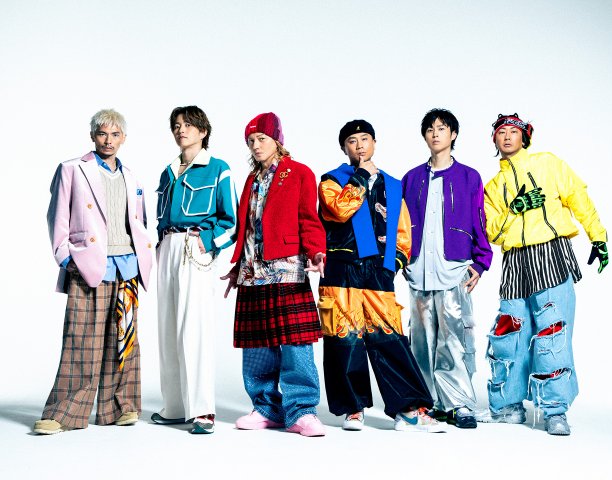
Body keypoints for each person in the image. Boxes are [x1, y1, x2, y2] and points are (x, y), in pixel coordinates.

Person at [479, 113, 609, 435]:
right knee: (509, 333)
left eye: (513, 131)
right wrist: (515, 208)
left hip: (550, 254)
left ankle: (554, 411)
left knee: (553, 332)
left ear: (525, 137)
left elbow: (578, 197)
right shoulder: (493, 187)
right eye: (501, 132)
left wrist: (598, 236)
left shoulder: (548, 164)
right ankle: (508, 407)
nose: (507, 136)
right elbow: (492, 232)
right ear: (494, 140)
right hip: (515, 262)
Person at [317, 119, 446, 433]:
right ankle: (353, 408)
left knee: (389, 339)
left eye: (365, 139)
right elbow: (340, 210)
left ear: (374, 143)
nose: (359, 145)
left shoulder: (393, 184)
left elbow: (403, 230)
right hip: (341, 268)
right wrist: (361, 175)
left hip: (378, 271)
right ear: (344, 148)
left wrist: (394, 263)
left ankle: (409, 410)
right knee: (344, 339)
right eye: (352, 141)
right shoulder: (331, 181)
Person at [35, 109, 153, 434]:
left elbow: (139, 221)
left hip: (127, 266)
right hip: (89, 266)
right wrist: (65, 259)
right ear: (93, 136)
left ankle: (120, 408)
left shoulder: (132, 176)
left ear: (124, 138)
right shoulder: (72, 169)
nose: (108, 140)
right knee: (81, 340)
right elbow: (56, 216)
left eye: (115, 135)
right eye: (102, 134)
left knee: (123, 340)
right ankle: (63, 413)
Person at [222, 112, 327, 437]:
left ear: (277, 140)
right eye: (251, 141)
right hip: (252, 272)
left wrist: (316, 252)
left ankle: (302, 411)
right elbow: (247, 229)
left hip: (287, 269)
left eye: (262, 139)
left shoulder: (299, 173)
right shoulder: (251, 180)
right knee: (256, 346)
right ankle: (266, 408)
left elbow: (308, 218)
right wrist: (237, 266)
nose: (255, 145)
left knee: (296, 344)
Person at [401, 108, 493, 429]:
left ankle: (458, 403)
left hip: (453, 267)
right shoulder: (411, 178)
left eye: (442, 128)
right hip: (418, 268)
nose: (435, 133)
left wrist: (481, 261)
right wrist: (400, 259)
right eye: (430, 129)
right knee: (421, 339)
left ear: (453, 135)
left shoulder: (469, 177)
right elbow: (400, 224)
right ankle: (426, 403)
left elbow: (479, 220)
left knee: (454, 336)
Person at [153, 105, 237, 434]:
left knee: (195, 328)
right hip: (167, 247)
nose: (181, 130)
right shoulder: (168, 172)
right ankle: (175, 406)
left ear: (203, 131)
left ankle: (202, 411)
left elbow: (232, 222)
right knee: (167, 328)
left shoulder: (218, 168)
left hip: (194, 246)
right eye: (176, 125)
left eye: (188, 125)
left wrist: (208, 241)